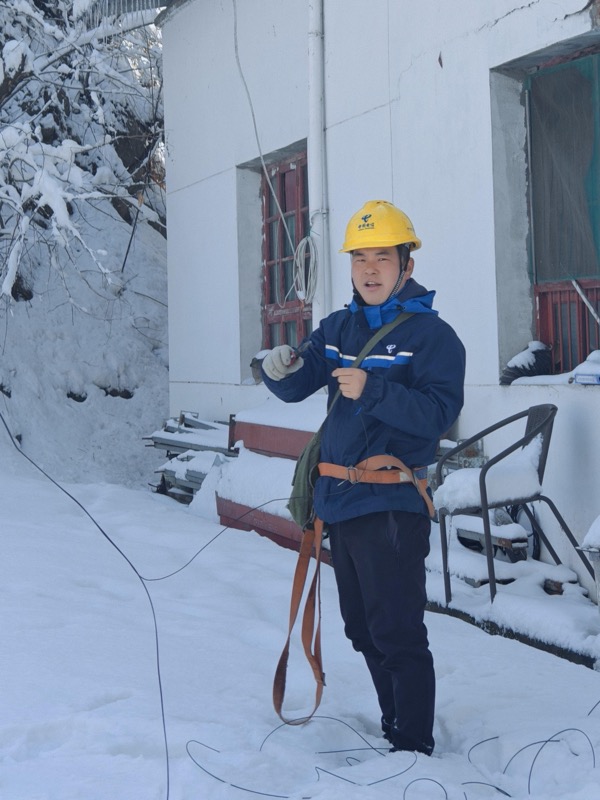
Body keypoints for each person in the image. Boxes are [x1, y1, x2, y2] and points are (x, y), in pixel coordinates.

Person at [261, 199, 465, 756]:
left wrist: (374, 390)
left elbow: (439, 414)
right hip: (342, 505)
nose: (369, 270)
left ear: (406, 265)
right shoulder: (338, 328)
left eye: (382, 258)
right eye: (359, 259)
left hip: (393, 504)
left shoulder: (434, 337)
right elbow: (297, 382)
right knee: (361, 628)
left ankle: (413, 746)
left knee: (397, 631)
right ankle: (394, 722)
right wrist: (277, 367)